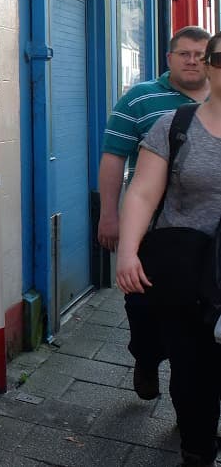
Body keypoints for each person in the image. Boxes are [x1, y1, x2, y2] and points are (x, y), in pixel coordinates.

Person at [116, 32, 221, 466]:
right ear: (211, 67)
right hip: (185, 270)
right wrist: (127, 250)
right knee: (192, 364)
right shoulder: (175, 125)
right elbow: (141, 193)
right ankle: (197, 447)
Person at [97, 25, 210, 401]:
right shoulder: (140, 100)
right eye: (185, 54)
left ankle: (195, 411)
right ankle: (146, 358)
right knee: (143, 311)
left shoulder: (219, 98)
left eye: (201, 54)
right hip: (151, 233)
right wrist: (109, 215)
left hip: (208, 236)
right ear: (169, 59)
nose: (193, 60)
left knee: (197, 325)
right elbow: (114, 158)